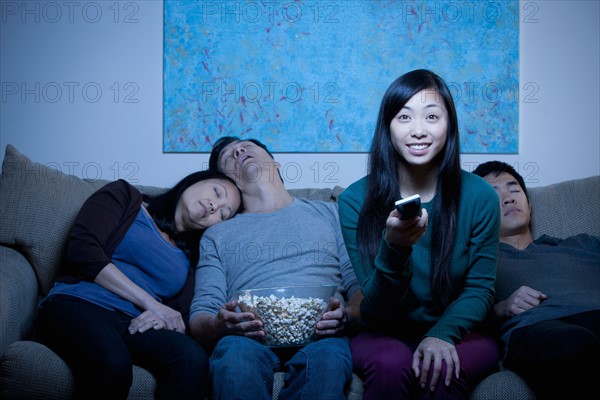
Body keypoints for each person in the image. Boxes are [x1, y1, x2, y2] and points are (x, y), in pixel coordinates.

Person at [337, 69, 501, 399]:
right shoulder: (354, 201)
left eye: (432, 116)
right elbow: (376, 308)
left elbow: (480, 289)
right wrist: (394, 248)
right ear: (388, 128)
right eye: (404, 117)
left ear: (449, 125)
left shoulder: (481, 196)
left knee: (441, 365)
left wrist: (441, 334)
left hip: (458, 329)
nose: (418, 131)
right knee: (389, 363)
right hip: (384, 331)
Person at [36, 171, 243, 400]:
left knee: (192, 359)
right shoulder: (124, 196)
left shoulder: (192, 258)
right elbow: (82, 250)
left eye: (224, 213)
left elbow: (184, 316)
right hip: (77, 303)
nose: (215, 206)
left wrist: (166, 319)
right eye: (217, 192)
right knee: (112, 362)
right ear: (194, 180)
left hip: (133, 324)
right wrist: (151, 303)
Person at [189, 136, 363, 400]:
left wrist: (347, 316)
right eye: (229, 157)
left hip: (320, 335)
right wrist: (219, 324)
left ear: (276, 163)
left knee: (329, 361)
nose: (238, 150)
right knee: (234, 361)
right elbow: (200, 315)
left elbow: (361, 285)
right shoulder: (217, 234)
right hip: (247, 338)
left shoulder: (331, 212)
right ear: (227, 182)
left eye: (247, 147)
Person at [472, 160, 600, 400]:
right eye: (493, 194)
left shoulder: (584, 243)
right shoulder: (480, 262)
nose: (508, 198)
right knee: (575, 345)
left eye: (513, 189)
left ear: (529, 205)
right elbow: (454, 311)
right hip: (543, 328)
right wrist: (500, 308)